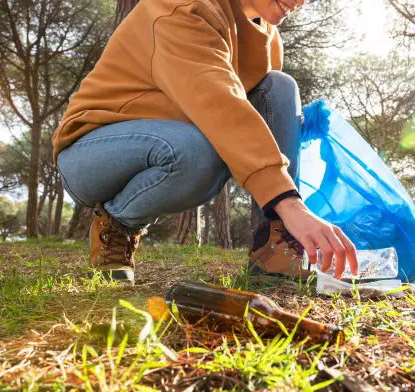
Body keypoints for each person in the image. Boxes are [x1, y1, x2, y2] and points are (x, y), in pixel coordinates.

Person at [51, 0, 358, 284]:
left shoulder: (267, 34)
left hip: (175, 141)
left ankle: (275, 249)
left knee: (279, 87)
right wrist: (291, 204)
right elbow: (220, 105)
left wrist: (291, 126)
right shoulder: (186, 7)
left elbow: (244, 109)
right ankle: (117, 223)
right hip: (91, 151)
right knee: (203, 151)